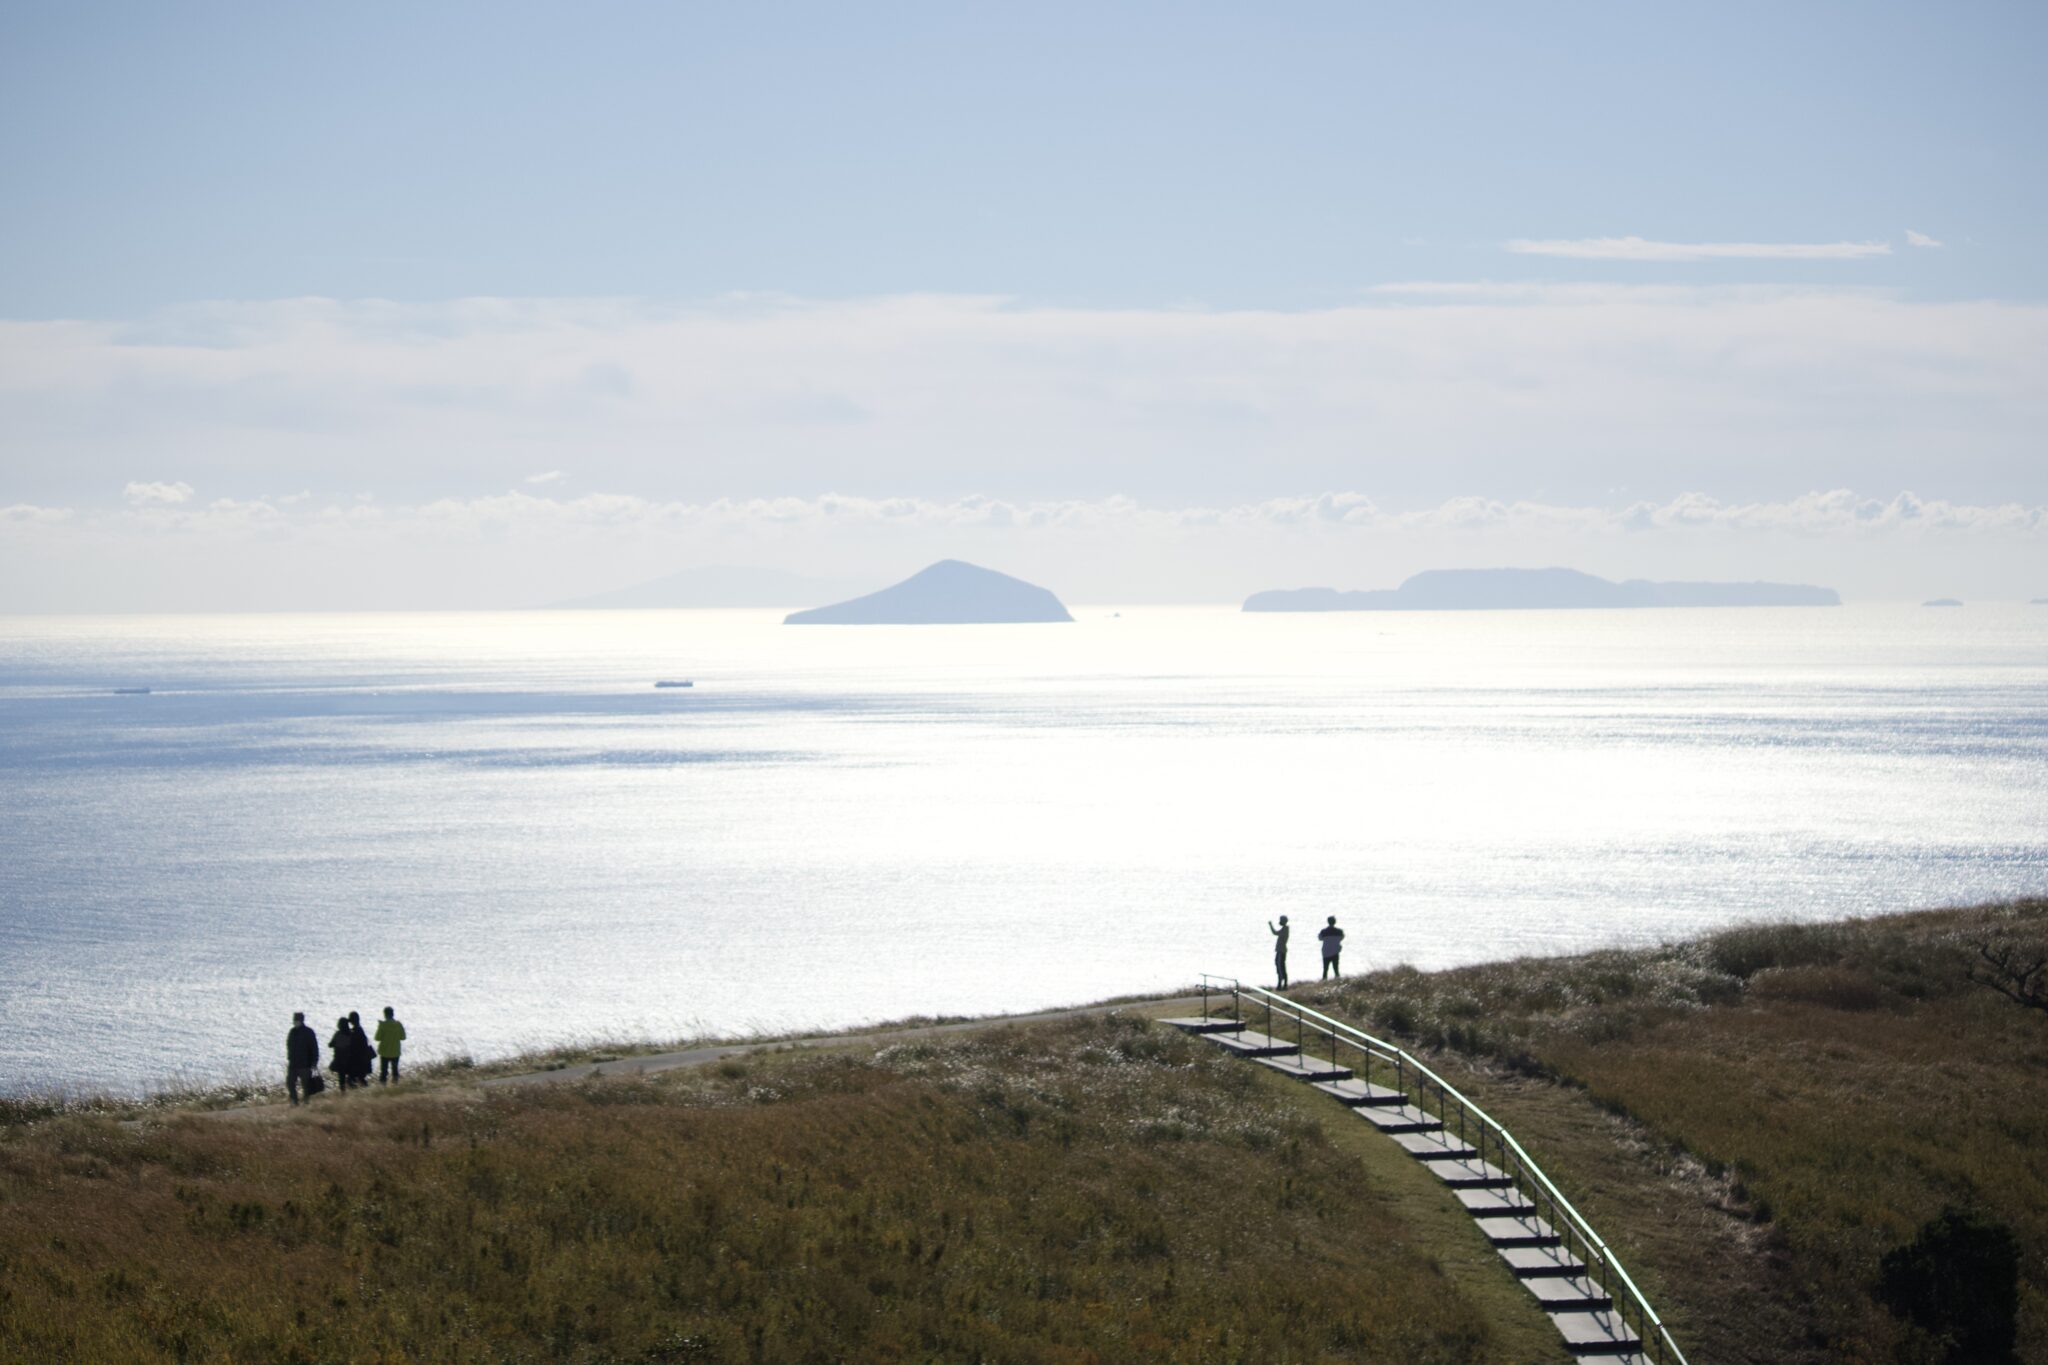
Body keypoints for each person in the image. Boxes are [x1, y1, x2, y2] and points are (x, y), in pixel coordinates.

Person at [286, 1011, 319, 1104]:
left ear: (301, 1021)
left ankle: (306, 1102)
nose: (295, 1022)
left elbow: (314, 1048)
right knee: (289, 1083)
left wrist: (314, 1062)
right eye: (294, 1020)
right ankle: (294, 1100)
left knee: (306, 1085)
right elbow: (288, 1045)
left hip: (305, 1064)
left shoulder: (309, 1032)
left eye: (296, 1020)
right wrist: (289, 1057)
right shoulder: (292, 1032)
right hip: (293, 1064)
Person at [374, 1006, 407, 1084]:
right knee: (395, 1071)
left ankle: (382, 1087)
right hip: (395, 1052)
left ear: (385, 1014)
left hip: (384, 1052)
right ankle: (395, 1086)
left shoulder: (383, 1025)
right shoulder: (398, 1024)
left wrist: (380, 1026)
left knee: (384, 1071)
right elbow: (403, 1037)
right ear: (393, 1014)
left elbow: (377, 1038)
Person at [346, 1011, 375, 1088]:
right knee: (360, 1078)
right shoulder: (359, 1030)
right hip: (362, 1060)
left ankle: (360, 1092)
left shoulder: (355, 1031)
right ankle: (365, 1091)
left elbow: (353, 1046)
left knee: (353, 1079)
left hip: (358, 1060)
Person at [328, 1015, 356, 1090]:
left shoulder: (338, 1034)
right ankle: (354, 1090)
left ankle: (343, 1093)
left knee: (341, 1079)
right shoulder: (351, 1033)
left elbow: (330, 1044)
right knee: (351, 1077)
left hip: (339, 1059)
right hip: (350, 1059)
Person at [1318, 915, 1345, 980]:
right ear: (1335, 922)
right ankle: (1337, 980)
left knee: (1325, 969)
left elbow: (1319, 938)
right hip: (1335, 951)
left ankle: (1324, 981)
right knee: (1336, 968)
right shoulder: (1339, 931)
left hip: (1326, 951)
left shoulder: (1323, 931)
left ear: (1328, 922)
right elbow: (1342, 938)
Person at [1269, 915, 1291, 989]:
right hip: (1280, 951)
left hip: (1281, 951)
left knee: (1280, 967)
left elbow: (1275, 933)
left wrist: (1270, 925)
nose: (1279, 922)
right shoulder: (1284, 929)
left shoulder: (1285, 929)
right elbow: (1275, 933)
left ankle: (1282, 984)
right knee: (1280, 967)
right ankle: (1283, 984)